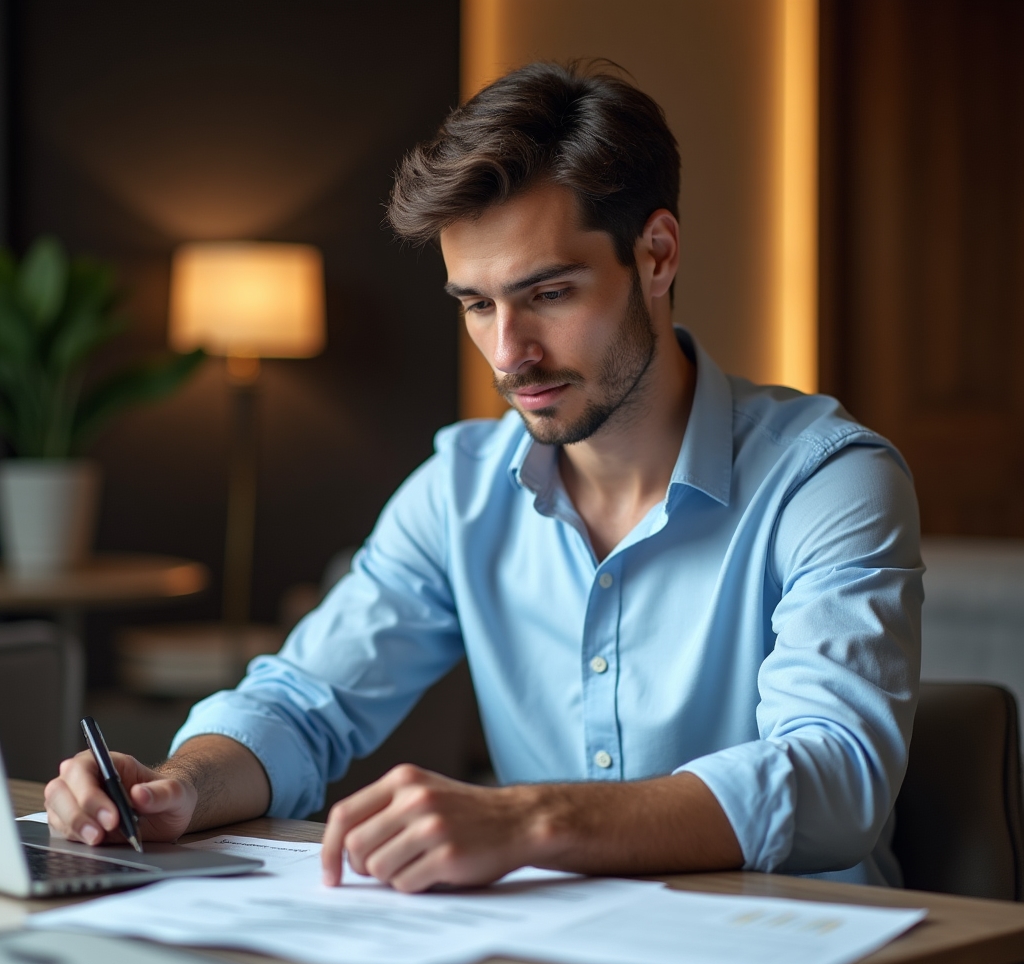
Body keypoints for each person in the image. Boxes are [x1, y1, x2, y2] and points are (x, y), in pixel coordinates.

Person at [44, 62, 923, 892]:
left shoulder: (829, 481)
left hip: (805, 960)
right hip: (560, 962)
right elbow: (303, 704)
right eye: (476, 304)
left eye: (548, 294)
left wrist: (530, 819)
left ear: (657, 254)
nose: (509, 353)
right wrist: (176, 788)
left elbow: (835, 775)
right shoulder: (458, 489)